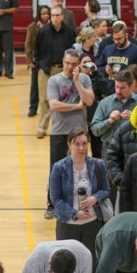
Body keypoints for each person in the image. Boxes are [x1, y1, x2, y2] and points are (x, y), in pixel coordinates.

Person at [49, 129, 109, 273]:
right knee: (66, 269)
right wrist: (74, 213)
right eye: (77, 144)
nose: (81, 148)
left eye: (85, 143)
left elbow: (106, 190)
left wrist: (95, 198)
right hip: (68, 226)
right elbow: (55, 198)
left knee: (90, 269)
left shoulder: (98, 165)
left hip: (93, 225)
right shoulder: (59, 167)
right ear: (69, 144)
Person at [45, 48, 94, 218]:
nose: (69, 66)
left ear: (78, 65)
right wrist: (77, 107)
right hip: (59, 132)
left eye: (73, 64)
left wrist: (77, 82)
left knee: (81, 169)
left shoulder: (85, 79)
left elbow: (89, 100)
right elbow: (54, 105)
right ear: (63, 61)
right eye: (67, 63)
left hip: (80, 132)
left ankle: (80, 202)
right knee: (56, 170)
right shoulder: (54, 80)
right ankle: (51, 204)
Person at [33, 6, 76, 139]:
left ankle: (64, 128)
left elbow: (72, 50)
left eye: (58, 15)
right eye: (53, 15)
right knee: (44, 100)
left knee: (63, 100)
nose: (55, 18)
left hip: (62, 70)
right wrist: (40, 65)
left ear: (62, 16)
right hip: (45, 69)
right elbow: (37, 50)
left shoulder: (69, 31)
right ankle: (41, 127)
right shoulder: (42, 31)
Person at [24, 6, 50, 118]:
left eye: (47, 13)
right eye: (43, 13)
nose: (46, 15)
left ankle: (51, 109)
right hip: (37, 60)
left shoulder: (52, 26)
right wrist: (29, 60)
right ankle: (33, 108)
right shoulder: (33, 27)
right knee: (34, 85)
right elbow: (28, 44)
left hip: (49, 60)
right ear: (39, 14)